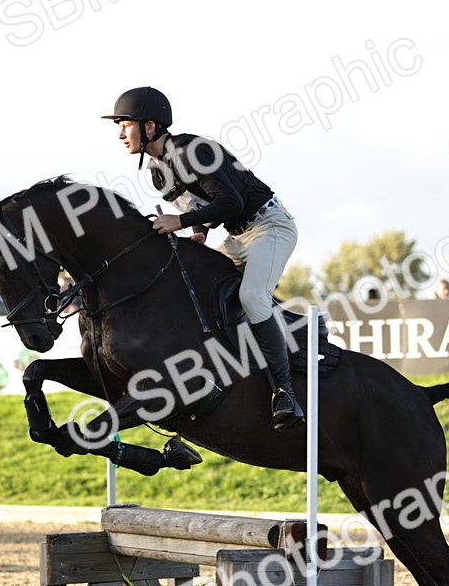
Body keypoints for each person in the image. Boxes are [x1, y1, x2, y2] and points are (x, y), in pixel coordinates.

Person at [104, 86, 303, 430]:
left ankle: (284, 391)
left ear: (149, 127)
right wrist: (198, 232)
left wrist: (180, 223)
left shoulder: (192, 150)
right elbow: (204, 212)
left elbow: (231, 203)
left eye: (125, 124)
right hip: (238, 237)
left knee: (252, 296)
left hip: (270, 226)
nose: (120, 133)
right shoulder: (157, 172)